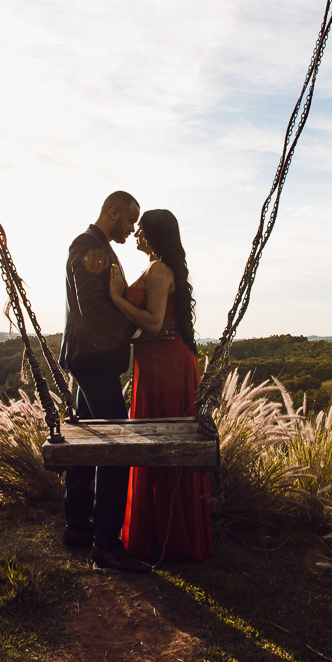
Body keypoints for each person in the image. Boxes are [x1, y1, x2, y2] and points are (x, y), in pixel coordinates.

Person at [108, 209, 212, 563]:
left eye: (141, 230)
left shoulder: (157, 269)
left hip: (165, 366)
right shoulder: (160, 268)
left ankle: (164, 534)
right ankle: (162, 529)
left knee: (163, 444)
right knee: (160, 442)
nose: (135, 235)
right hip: (160, 362)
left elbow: (153, 323)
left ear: (153, 235)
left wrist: (118, 298)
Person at [60, 191, 154, 573]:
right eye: (129, 221)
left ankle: (79, 527)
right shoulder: (90, 246)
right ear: (112, 212)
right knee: (119, 445)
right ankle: (107, 545)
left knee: (87, 442)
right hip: (93, 360)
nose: (132, 230)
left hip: (91, 359)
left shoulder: (98, 247)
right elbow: (93, 307)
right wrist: (136, 332)